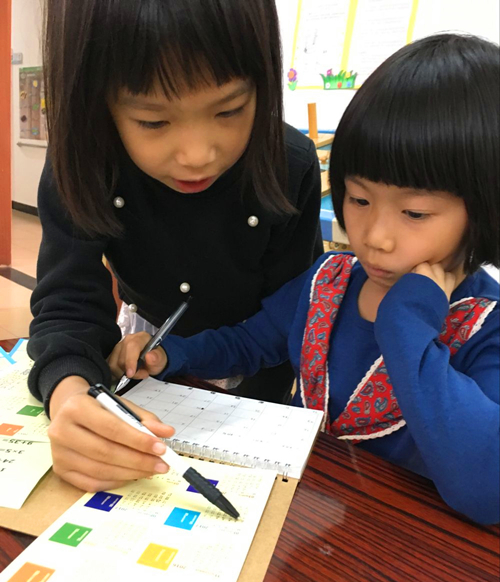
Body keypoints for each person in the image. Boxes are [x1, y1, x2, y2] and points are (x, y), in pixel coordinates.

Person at [111, 34, 500, 524]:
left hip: (402, 545)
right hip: (303, 515)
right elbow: (252, 342)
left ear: (484, 210)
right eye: (359, 199)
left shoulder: (486, 326)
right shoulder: (329, 281)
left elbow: (486, 490)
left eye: (415, 213)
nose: (374, 237)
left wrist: (405, 321)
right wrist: (174, 353)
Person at [27, 0, 323, 492]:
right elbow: (68, 304)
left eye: (229, 110)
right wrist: (69, 393)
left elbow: (290, 316)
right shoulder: (83, 161)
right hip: (145, 352)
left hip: (257, 366)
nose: (197, 155)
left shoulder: (290, 163)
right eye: (153, 121)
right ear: (98, 102)